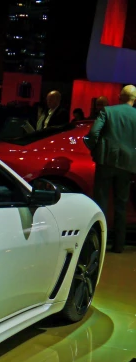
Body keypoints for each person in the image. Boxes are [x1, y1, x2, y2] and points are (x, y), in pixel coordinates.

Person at [85, 84, 136, 253]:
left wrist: (95, 149)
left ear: (120, 96)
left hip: (106, 161)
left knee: (101, 203)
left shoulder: (108, 111)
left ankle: (98, 243)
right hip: (127, 165)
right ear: (134, 99)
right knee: (121, 205)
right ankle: (119, 246)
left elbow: (93, 134)